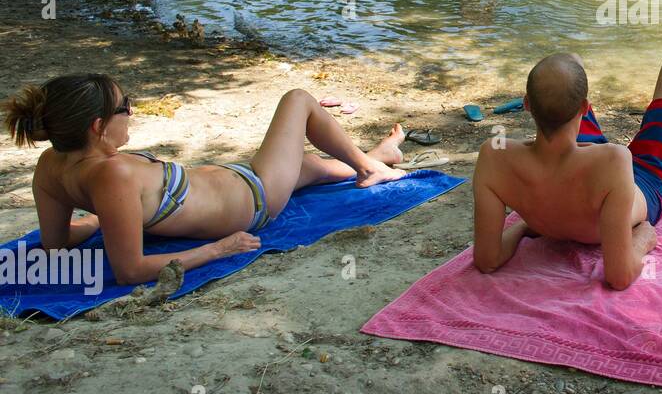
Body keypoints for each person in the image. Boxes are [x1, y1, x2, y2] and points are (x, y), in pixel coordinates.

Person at [2, 74, 406, 285]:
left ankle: (373, 158)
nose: (133, 111)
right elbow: (131, 270)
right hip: (256, 198)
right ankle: (369, 166)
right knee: (298, 100)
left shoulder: (50, 165)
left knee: (306, 165)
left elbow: (54, 243)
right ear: (98, 126)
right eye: (126, 107)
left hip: (242, 180)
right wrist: (218, 250)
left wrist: (100, 220)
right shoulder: (113, 174)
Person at [471, 53, 662, 290]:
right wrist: (642, 240)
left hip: (586, 164)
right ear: (585, 108)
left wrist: (524, 226)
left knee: (569, 60)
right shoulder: (615, 159)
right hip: (640, 181)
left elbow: (487, 260)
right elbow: (619, 277)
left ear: (526, 104)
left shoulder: (494, 156)